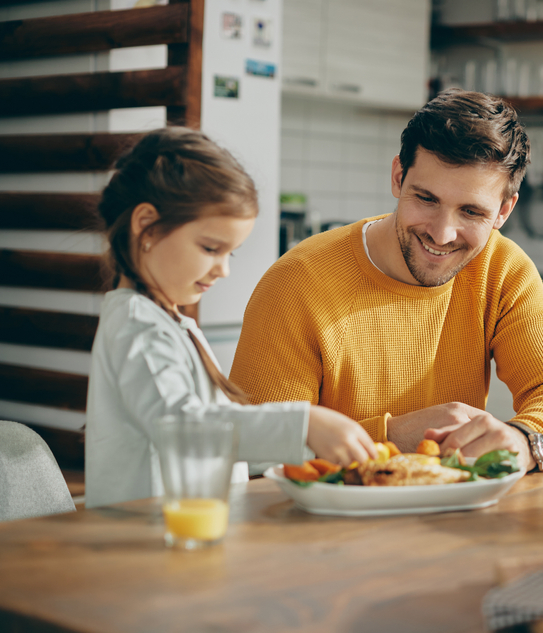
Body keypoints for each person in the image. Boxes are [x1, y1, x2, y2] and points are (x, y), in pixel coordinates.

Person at [229, 90, 543, 473]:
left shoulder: (502, 269)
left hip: (453, 518)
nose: (442, 233)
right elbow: (254, 452)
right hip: (326, 527)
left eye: (471, 211)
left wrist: (524, 439)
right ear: (398, 177)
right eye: (426, 199)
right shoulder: (298, 282)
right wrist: (389, 437)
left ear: (504, 211)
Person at [85, 128, 375, 509]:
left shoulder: (167, 321)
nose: (222, 270)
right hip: (150, 543)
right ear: (147, 226)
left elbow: (216, 427)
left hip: (187, 532)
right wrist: (303, 422)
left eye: (231, 254)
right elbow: (184, 427)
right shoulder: (137, 324)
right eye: (210, 248)